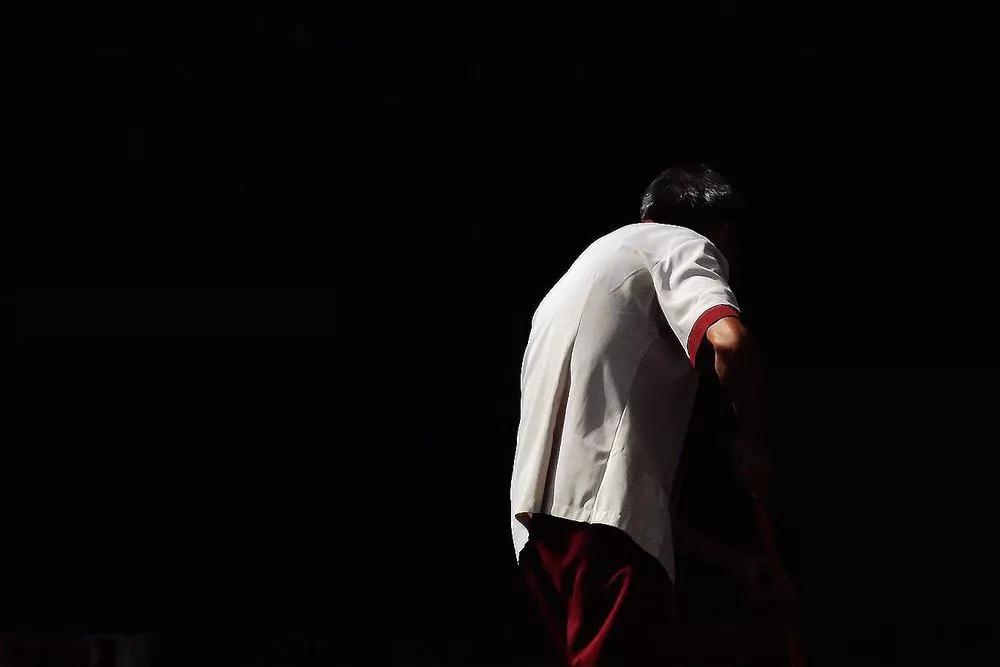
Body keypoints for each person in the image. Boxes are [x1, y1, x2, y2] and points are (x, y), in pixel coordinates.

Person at [510, 164, 791, 666]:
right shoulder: (682, 244)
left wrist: (734, 563)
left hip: (538, 532)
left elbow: (613, 490)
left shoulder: (579, 274)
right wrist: (751, 439)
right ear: (722, 231)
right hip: (605, 534)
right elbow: (731, 343)